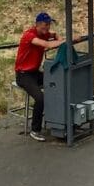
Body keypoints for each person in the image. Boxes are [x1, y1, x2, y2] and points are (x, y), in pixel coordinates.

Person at [15, 11, 58, 141]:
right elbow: (47, 44)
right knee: (40, 98)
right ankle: (35, 130)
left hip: (34, 72)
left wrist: (60, 38)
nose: (48, 27)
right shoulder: (30, 35)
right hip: (24, 75)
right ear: (38, 24)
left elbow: (54, 35)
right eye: (46, 24)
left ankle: (56, 120)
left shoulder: (44, 34)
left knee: (56, 83)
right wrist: (66, 42)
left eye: (49, 24)